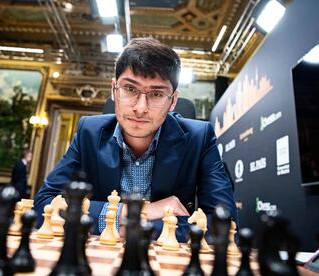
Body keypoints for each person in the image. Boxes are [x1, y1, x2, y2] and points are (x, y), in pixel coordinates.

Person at [34, 37, 237, 241]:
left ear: (173, 101)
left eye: (157, 94)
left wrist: (124, 228)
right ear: (114, 90)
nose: (140, 108)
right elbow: (44, 203)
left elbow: (223, 224)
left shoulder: (199, 138)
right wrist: (138, 212)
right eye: (130, 89)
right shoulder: (89, 132)